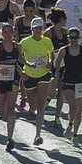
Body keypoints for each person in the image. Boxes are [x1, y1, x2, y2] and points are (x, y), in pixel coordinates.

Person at [19, 17, 54, 145]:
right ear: (31, 29)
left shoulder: (47, 41)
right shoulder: (25, 42)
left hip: (44, 74)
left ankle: (38, 134)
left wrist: (50, 63)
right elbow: (18, 56)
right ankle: (31, 108)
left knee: (41, 106)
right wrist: (27, 64)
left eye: (40, 28)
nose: (38, 30)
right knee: (33, 106)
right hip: (29, 75)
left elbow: (51, 54)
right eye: (36, 28)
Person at [55, 27, 82, 145]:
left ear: (79, 38)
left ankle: (74, 134)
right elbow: (57, 61)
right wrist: (57, 74)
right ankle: (70, 125)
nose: (73, 40)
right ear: (68, 38)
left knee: (78, 110)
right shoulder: (63, 50)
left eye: (75, 37)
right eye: (71, 37)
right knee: (73, 107)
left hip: (81, 82)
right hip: (67, 82)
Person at [0, 23, 22, 151]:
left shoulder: (17, 46)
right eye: (5, 32)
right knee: (2, 110)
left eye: (10, 32)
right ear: (1, 34)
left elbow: (20, 60)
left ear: (13, 33)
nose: (8, 34)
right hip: (0, 81)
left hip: (13, 80)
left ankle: (10, 138)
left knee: (11, 109)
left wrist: (28, 66)